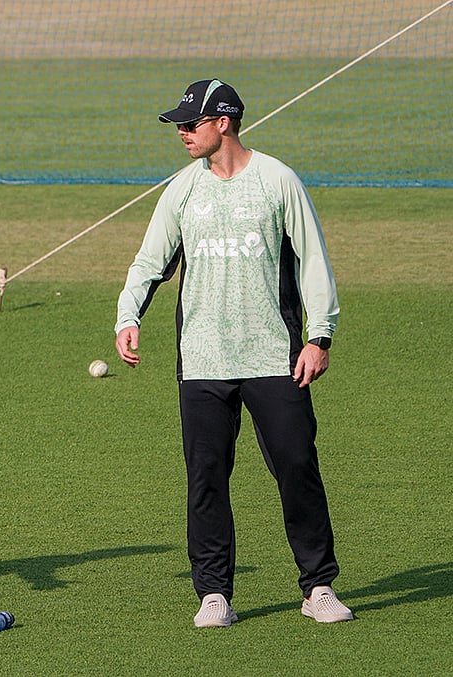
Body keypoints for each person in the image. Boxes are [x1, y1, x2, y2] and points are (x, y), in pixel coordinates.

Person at [114, 79, 353, 628]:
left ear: (223, 123)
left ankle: (318, 586)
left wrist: (319, 336)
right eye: (179, 124)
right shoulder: (181, 190)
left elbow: (313, 259)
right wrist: (129, 316)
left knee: (297, 468)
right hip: (202, 361)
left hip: (274, 358)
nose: (181, 132)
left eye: (190, 123)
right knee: (206, 478)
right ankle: (214, 594)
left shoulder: (278, 181)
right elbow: (149, 262)